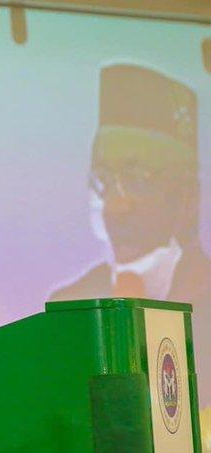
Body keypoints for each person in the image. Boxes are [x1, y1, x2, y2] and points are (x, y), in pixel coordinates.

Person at [50, 64, 211, 406]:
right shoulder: (70, 303)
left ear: (188, 198)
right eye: (104, 182)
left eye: (138, 180)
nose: (115, 206)